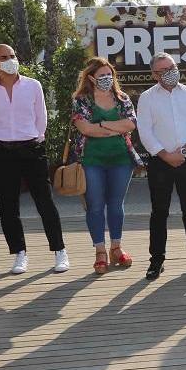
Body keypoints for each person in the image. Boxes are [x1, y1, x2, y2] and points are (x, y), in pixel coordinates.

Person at [0, 44, 68, 275]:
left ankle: (59, 250)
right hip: (0, 152)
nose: (10, 59)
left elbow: (41, 117)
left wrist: (35, 139)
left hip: (31, 149)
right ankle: (19, 253)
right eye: (4, 57)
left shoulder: (32, 85)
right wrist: (0, 141)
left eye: (13, 55)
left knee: (44, 201)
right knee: (8, 206)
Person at [137, 52, 186, 279]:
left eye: (172, 67)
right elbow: (145, 132)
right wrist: (165, 155)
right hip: (160, 163)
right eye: (163, 70)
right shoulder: (147, 98)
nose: (170, 73)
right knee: (159, 212)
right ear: (154, 74)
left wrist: (184, 151)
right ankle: (156, 260)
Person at [70, 57, 141, 275]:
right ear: (91, 77)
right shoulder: (81, 100)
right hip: (92, 160)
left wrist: (101, 124)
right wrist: (113, 128)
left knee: (116, 204)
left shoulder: (122, 98)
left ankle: (116, 248)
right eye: (101, 75)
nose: (107, 79)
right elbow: (85, 129)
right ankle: (100, 251)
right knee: (95, 205)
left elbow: (130, 124)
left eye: (109, 75)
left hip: (121, 159)